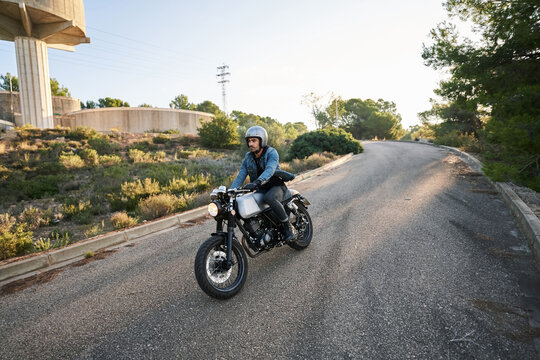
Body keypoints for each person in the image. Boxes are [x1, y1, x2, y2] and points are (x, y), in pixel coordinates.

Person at [231, 126, 295, 243]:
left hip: (276, 186)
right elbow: (241, 176)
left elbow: (270, 170)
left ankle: (288, 227)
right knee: (242, 203)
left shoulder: (271, 152)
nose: (251, 144)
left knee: (269, 198)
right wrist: (230, 192)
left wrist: (257, 182)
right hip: (261, 188)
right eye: (249, 141)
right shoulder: (248, 157)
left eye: (254, 140)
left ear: (262, 141)